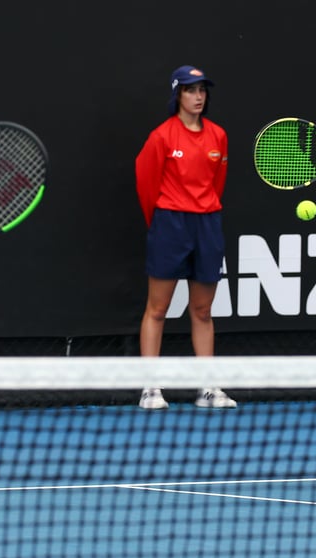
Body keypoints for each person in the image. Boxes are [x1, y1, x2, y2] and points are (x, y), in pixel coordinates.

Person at [134, 65, 236, 410]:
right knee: (158, 308)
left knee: (203, 310)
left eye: (202, 90)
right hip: (170, 225)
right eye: (191, 90)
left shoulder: (218, 136)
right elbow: (146, 184)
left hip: (207, 225)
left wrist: (203, 209)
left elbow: (217, 183)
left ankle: (207, 389)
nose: (198, 96)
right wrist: (164, 220)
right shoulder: (162, 136)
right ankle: (150, 388)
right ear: (178, 94)